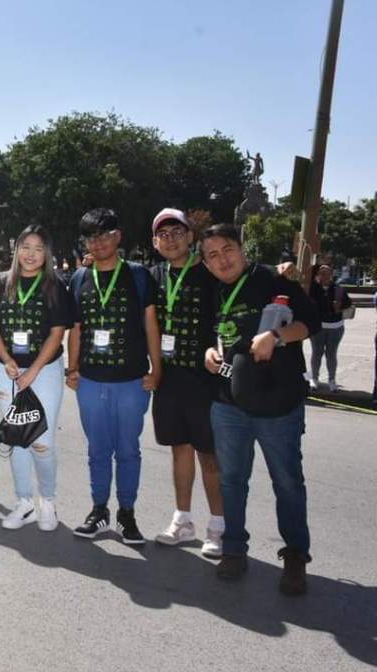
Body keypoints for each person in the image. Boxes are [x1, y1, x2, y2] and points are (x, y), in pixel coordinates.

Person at [200, 224, 320, 595]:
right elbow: (210, 334)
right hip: (228, 403)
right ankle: (234, 549)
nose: (223, 259)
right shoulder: (210, 290)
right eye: (213, 255)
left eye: (228, 249)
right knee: (232, 480)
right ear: (205, 263)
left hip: (278, 403)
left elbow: (310, 322)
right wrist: (208, 351)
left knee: (287, 481)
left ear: (242, 249)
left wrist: (277, 336)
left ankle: (296, 555)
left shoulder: (272, 279)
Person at [66, 208, 161, 545]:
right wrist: (72, 368)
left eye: (105, 235)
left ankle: (127, 513)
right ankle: (98, 509)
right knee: (97, 450)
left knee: (128, 450)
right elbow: (75, 329)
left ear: (118, 236)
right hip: (90, 381)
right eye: (92, 237)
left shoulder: (138, 275)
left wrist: (156, 369)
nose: (99, 242)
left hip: (132, 381)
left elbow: (151, 324)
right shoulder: (79, 279)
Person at [0, 225, 75, 531]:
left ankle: (47, 500)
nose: (31, 254)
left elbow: (57, 332)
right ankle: (24, 502)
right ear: (16, 249)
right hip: (6, 370)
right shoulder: (1, 283)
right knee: (16, 438)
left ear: (46, 253)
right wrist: (7, 360)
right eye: (26, 247)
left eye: (38, 248)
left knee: (41, 441)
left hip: (44, 371)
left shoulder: (55, 285)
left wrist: (33, 369)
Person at [146, 209, 224, 557]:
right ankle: (183, 520)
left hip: (206, 379)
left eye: (177, 231)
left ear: (190, 236)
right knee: (179, 449)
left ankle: (219, 527)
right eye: (163, 234)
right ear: (154, 242)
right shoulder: (153, 276)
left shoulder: (211, 272)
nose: (171, 239)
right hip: (168, 378)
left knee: (209, 455)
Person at [308, 263, 353, 392]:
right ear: (317, 275)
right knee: (317, 353)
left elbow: (348, 304)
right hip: (318, 327)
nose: (325, 276)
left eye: (327, 273)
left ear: (331, 275)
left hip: (336, 327)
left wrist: (340, 306)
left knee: (331, 354)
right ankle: (314, 379)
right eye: (322, 273)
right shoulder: (312, 289)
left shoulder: (339, 289)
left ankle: (332, 381)